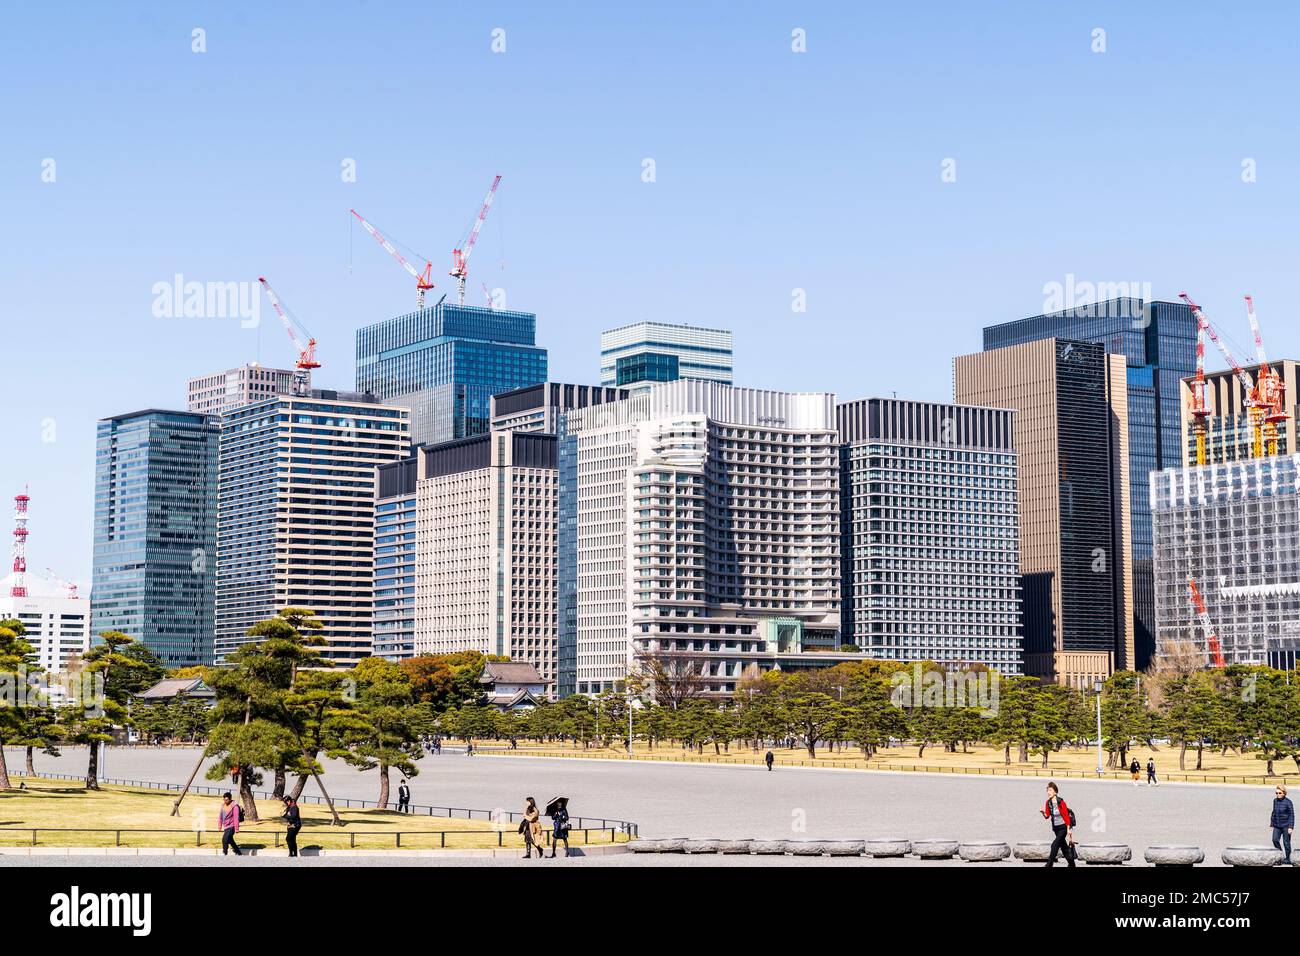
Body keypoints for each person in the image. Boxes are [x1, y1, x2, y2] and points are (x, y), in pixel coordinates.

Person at [1040, 782, 1075, 868]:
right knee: (1064, 847)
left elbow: (1066, 816)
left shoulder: (1061, 802)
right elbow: (1047, 816)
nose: (1048, 792)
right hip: (1056, 828)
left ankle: (1049, 864)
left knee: (1054, 844)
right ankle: (1072, 864)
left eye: (1050, 790)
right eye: (1048, 790)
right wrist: (1043, 813)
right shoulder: (1048, 803)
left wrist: (1068, 828)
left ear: (1055, 792)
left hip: (1063, 827)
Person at [1271, 783, 1295, 865]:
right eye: (1276, 793)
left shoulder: (1288, 802)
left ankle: (1288, 859)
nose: (1278, 794)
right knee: (1275, 840)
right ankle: (1280, 856)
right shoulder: (1275, 801)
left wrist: (1291, 827)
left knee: (1286, 843)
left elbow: (1292, 815)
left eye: (1280, 793)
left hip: (1286, 826)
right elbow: (1274, 812)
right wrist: (1272, 823)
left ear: (1284, 793)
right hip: (1277, 825)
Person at [219, 792, 242, 857]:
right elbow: (220, 816)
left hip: (232, 826)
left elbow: (236, 818)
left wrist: (237, 828)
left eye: (226, 800)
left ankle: (224, 853)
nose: (225, 801)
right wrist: (219, 825)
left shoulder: (235, 806)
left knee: (225, 838)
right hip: (226, 826)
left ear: (230, 799)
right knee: (230, 840)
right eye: (224, 800)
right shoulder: (223, 805)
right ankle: (238, 852)